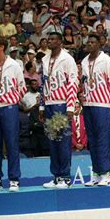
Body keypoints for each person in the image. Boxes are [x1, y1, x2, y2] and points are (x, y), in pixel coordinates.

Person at [0, 36, 26, 192]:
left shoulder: (14, 65)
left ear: (2, 47)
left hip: (9, 107)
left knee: (11, 143)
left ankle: (14, 179)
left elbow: (22, 87)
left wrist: (11, 100)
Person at [39, 32, 78, 189]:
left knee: (63, 141)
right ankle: (56, 176)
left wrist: (70, 106)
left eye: (53, 39)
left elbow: (73, 83)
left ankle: (66, 177)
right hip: (49, 103)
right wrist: (42, 105)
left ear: (60, 42)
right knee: (52, 140)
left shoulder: (67, 59)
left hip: (61, 103)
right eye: (49, 39)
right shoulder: (45, 59)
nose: (50, 41)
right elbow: (43, 84)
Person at [81, 34, 110, 186]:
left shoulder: (106, 60)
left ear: (99, 44)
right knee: (92, 140)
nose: (89, 44)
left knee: (103, 139)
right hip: (88, 105)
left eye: (93, 42)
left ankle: (106, 174)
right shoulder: (85, 61)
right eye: (88, 42)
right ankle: (97, 173)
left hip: (103, 105)